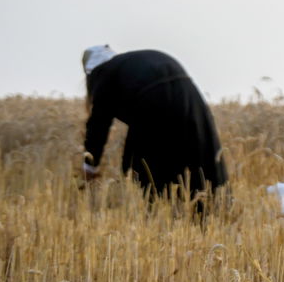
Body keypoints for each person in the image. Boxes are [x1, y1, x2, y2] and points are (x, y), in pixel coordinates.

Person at [80, 45, 228, 206]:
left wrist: (90, 166)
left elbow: (98, 124)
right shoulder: (126, 64)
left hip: (152, 100)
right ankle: (211, 209)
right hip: (189, 95)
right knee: (199, 154)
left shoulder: (104, 74)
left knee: (145, 168)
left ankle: (161, 211)